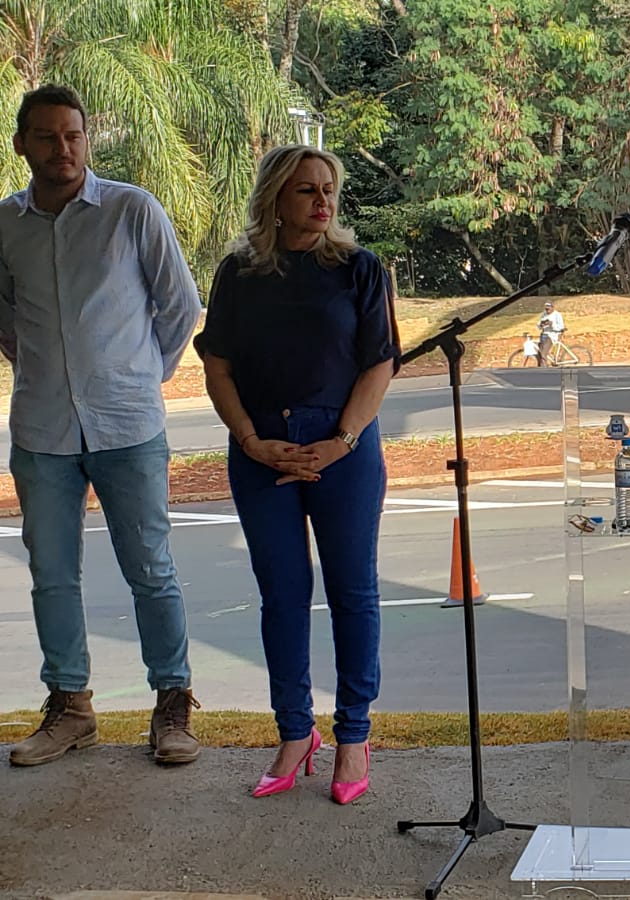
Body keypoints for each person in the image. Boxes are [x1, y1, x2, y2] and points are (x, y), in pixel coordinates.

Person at [0, 84, 203, 768]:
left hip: (128, 428)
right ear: (21, 144)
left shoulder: (131, 210)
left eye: (74, 135)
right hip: (42, 431)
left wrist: (138, 377)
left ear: (87, 139)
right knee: (52, 575)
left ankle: (172, 705)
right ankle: (71, 709)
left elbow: (180, 307)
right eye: (47, 136)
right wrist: (43, 368)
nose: (63, 148)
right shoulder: (6, 224)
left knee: (151, 570)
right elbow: (6, 317)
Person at [194, 145, 398, 804]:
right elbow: (218, 366)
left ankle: (354, 735)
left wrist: (342, 440)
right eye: (307, 189)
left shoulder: (360, 269)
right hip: (262, 451)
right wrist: (251, 440)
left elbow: (380, 363)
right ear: (276, 199)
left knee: (353, 592)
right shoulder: (239, 273)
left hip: (344, 449)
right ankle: (293, 731)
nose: (322, 201)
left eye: (329, 189)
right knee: (281, 595)